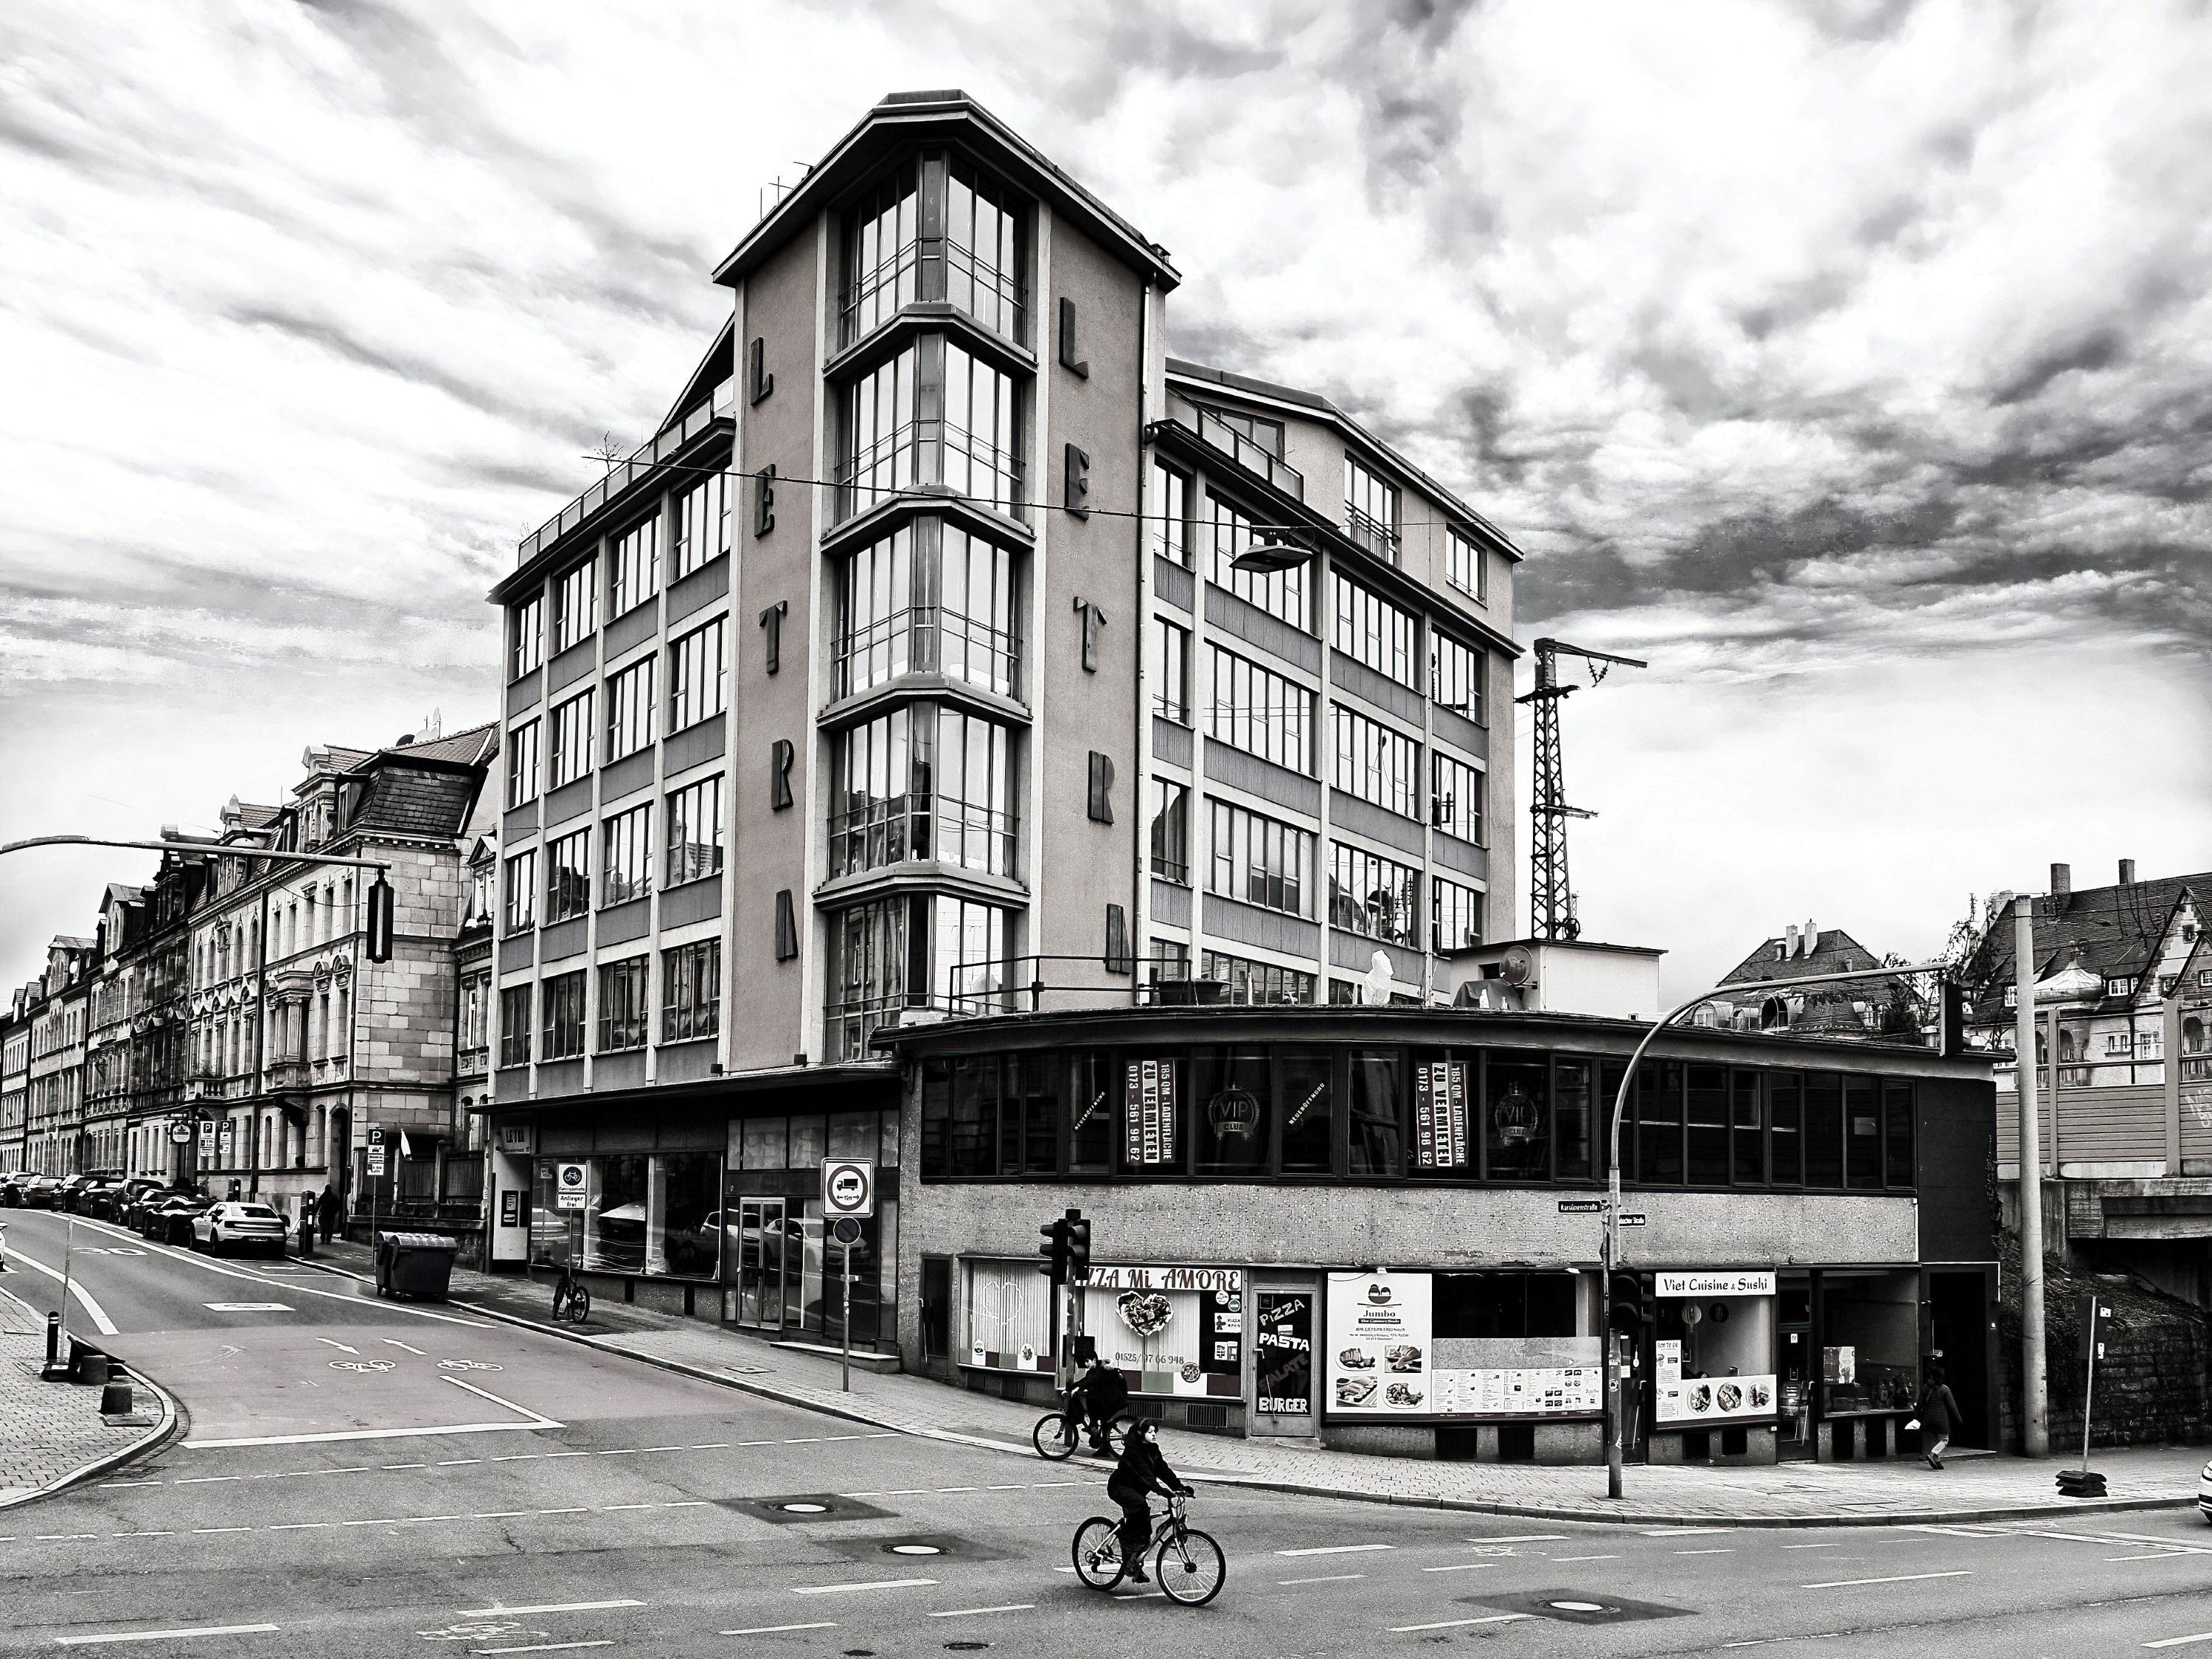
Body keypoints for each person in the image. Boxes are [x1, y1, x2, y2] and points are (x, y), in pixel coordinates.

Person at [1106, 1419, 1189, 1584]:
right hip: (1120, 1487)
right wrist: (1159, 1489)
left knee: (1145, 1533)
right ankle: (1125, 1540)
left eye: (1155, 1432)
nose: (1154, 1434)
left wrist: (1179, 1486)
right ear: (1140, 1433)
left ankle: (1135, 1567)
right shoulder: (1132, 1450)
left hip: (1138, 1490)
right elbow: (1144, 1473)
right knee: (1140, 1508)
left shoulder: (1153, 1449)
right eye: (1150, 1431)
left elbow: (1163, 1470)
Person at [1068, 1354, 1130, 1453]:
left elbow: (1093, 1381)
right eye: (1084, 1362)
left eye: (1087, 1361)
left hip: (1114, 1401)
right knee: (1093, 1401)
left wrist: (1079, 1388)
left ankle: (1096, 1431)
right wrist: (1069, 1389)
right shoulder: (1091, 1372)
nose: (1085, 1364)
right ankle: (1099, 1436)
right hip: (1106, 1400)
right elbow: (1084, 1381)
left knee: (1094, 1403)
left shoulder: (1103, 1370)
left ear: (1094, 1360)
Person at [1917, 1366, 1961, 1470]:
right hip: (1941, 1420)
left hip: (1928, 1420)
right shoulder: (1944, 1389)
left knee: (1935, 1440)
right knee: (1944, 1440)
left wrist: (1916, 1417)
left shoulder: (1926, 1388)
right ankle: (1934, 1454)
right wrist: (1959, 1419)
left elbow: (1919, 1404)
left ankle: (1937, 1462)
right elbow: (1952, 1406)